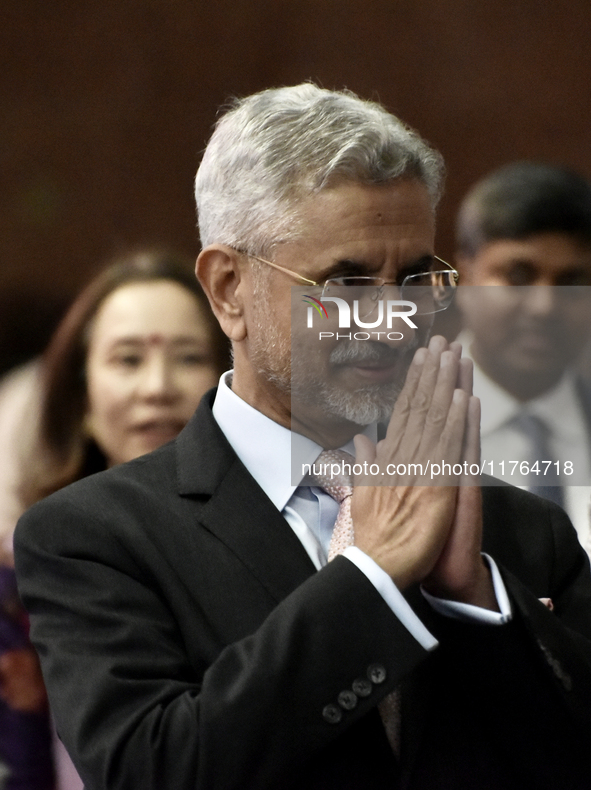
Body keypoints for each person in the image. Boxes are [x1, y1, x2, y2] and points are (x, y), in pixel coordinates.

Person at [14, 85, 591, 789]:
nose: (390, 320)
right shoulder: (93, 536)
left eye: (413, 278)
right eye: (345, 282)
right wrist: (371, 579)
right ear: (228, 288)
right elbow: (155, 769)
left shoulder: (521, 531)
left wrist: (476, 601)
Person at [3, 249, 228, 790]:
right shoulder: (15, 596)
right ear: (82, 397)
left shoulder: (287, 545)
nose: (157, 387)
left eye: (190, 357)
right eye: (128, 359)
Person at [455, 161, 591, 556]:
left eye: (571, 282)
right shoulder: (386, 428)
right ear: (465, 274)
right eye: (518, 275)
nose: (545, 306)